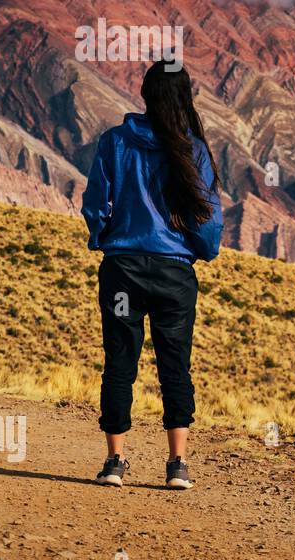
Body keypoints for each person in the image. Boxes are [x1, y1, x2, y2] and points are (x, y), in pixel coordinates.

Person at [81, 62, 222, 489]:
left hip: (122, 271)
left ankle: (114, 463)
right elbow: (208, 219)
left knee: (120, 361)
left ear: (144, 93)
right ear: (185, 98)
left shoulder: (115, 142)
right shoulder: (192, 149)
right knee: (175, 365)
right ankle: (177, 465)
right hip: (173, 276)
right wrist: (201, 252)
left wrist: (105, 238)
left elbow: (94, 202)